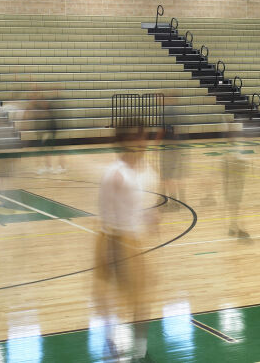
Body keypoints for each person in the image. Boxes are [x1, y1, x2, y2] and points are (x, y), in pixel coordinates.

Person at [93, 120, 159, 363]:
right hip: (113, 240)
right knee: (109, 298)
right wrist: (108, 254)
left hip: (133, 242)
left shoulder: (144, 172)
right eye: (137, 138)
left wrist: (150, 216)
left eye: (143, 138)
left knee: (142, 300)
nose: (142, 143)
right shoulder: (114, 175)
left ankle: (140, 352)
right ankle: (111, 342)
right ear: (124, 142)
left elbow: (138, 208)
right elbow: (106, 216)